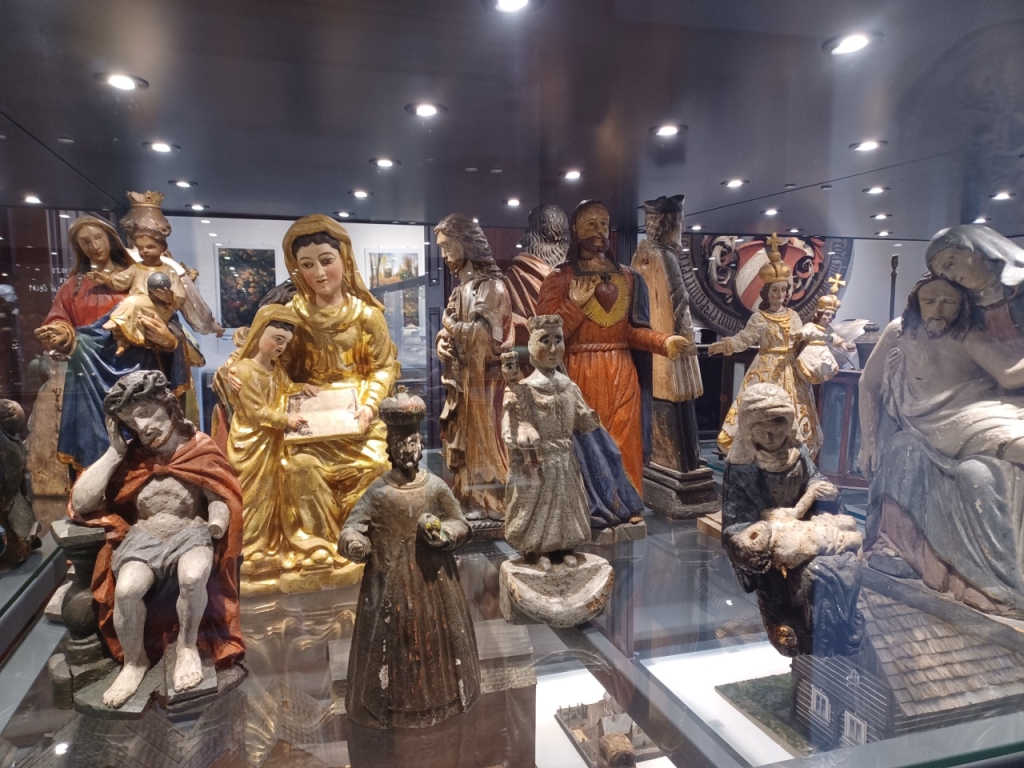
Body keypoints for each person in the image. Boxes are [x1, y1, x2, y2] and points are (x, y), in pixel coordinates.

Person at [221, 214, 399, 591]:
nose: (318, 273)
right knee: (298, 467)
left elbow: (383, 367)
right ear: (296, 269)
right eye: (306, 264)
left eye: (326, 260)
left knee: (375, 467)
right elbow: (265, 357)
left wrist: (368, 406)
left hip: (356, 419)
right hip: (307, 417)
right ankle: (315, 548)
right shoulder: (293, 315)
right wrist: (233, 371)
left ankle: (361, 543)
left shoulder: (367, 316)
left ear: (344, 259)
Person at [68, 370, 243, 708]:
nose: (142, 427)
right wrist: (115, 452)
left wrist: (217, 524)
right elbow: (82, 502)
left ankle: (187, 648)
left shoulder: (199, 448)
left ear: (168, 406)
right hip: (144, 535)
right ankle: (135, 663)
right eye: (130, 422)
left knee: (193, 576)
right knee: (127, 590)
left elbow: (219, 494)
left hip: (191, 531)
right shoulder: (132, 457)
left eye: (147, 412)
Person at [859, 274, 1024, 615]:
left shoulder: (968, 335)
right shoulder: (898, 332)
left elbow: (1009, 374)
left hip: (970, 416)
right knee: (904, 450)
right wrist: (869, 442)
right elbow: (867, 383)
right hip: (927, 424)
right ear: (915, 302)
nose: (937, 309)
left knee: (1010, 449)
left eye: (948, 302)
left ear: (962, 305)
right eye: (929, 301)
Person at [339, 388, 479, 729]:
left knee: (436, 642)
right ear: (390, 448)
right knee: (394, 645)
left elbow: (461, 523)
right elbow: (351, 528)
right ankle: (392, 710)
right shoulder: (378, 493)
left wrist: (442, 534)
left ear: (421, 444)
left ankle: (445, 701)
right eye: (401, 444)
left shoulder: (435, 487)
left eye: (414, 443)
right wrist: (355, 543)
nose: (409, 450)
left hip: (434, 584)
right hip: (388, 586)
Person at [536, 200, 692, 494]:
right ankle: (588, 506)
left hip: (622, 372)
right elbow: (545, 337)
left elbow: (632, 332)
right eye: (590, 224)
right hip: (579, 374)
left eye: (604, 224)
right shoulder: (561, 278)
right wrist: (575, 305)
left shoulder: (629, 277)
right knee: (586, 441)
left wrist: (664, 341)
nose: (599, 231)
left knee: (624, 439)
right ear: (576, 230)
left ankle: (626, 502)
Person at [35, 212, 192, 470]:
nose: (94, 246)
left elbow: (170, 320)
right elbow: (59, 320)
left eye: (99, 238)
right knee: (97, 445)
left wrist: (168, 339)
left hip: (138, 370)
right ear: (78, 248)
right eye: (86, 242)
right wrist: (61, 333)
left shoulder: (136, 275)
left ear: (110, 239)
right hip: (89, 377)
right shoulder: (72, 288)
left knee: (145, 441)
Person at [722, 382, 863, 657]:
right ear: (748, 428)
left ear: (789, 423)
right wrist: (756, 542)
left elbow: (815, 482)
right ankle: (788, 621)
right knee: (800, 576)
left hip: (805, 529)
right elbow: (735, 524)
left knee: (841, 565)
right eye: (760, 425)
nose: (770, 433)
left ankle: (839, 626)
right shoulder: (741, 468)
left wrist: (825, 491)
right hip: (772, 543)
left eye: (777, 423)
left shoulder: (797, 455)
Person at [226, 303, 326, 580]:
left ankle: (268, 545)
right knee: (253, 495)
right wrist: (286, 420)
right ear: (259, 334)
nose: (281, 347)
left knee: (272, 494)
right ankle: (249, 547)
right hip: (251, 444)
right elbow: (255, 411)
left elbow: (285, 390)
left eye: (286, 342)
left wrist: (302, 387)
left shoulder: (276, 369)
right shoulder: (243, 371)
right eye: (277, 339)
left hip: (272, 442)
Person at [710, 234, 829, 457]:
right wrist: (724, 345)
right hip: (765, 369)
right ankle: (756, 450)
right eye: (775, 290)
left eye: (783, 290)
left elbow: (802, 339)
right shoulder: (759, 318)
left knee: (794, 409)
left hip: (791, 370)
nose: (780, 295)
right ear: (767, 292)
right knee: (758, 407)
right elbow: (743, 339)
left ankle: (793, 451)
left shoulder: (793, 316)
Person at [502, 315, 601, 567]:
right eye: (545, 341)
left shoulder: (568, 386)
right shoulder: (522, 389)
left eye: (558, 340)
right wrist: (520, 436)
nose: (553, 348)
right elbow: (510, 430)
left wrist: (590, 417)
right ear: (531, 346)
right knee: (540, 506)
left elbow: (583, 419)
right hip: (539, 463)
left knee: (566, 504)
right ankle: (539, 551)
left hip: (565, 459)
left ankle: (565, 547)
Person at [435, 213, 514, 521]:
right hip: (465, 382)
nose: (444, 256)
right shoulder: (461, 290)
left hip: (486, 385)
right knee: (467, 444)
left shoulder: (492, 288)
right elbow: (454, 335)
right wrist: (442, 343)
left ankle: (494, 501)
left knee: (487, 444)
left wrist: (449, 325)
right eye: (441, 249)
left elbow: (480, 339)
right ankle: (470, 498)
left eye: (447, 247)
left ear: (464, 244)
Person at [925, 223, 1024, 350]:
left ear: (978, 249)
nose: (951, 277)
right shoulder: (970, 308)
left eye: (950, 264)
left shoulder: (1019, 287)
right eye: (944, 275)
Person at [93, 232, 187, 355]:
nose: (144, 251)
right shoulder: (136, 268)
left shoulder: (169, 271)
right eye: (140, 248)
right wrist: (106, 279)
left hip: (157, 309)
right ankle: (123, 342)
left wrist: (170, 297)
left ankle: (116, 320)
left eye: (150, 247)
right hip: (137, 307)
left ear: (162, 248)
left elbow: (181, 295)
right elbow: (121, 280)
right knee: (130, 311)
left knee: (132, 301)